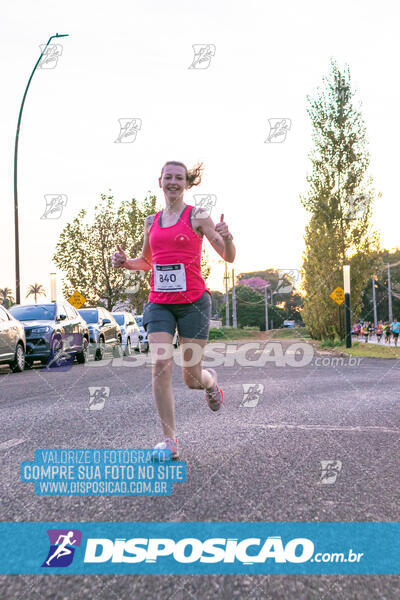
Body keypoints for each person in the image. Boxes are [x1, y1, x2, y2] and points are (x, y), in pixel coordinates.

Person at [112, 161, 235, 459]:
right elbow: (147, 261)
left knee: (191, 377)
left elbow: (228, 256)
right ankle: (170, 442)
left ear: (186, 183)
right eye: (168, 177)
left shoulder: (199, 216)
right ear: (160, 182)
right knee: (160, 365)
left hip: (194, 304)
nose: (173, 182)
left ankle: (210, 383)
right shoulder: (151, 222)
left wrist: (227, 236)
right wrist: (126, 262)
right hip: (159, 304)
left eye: (179, 178)